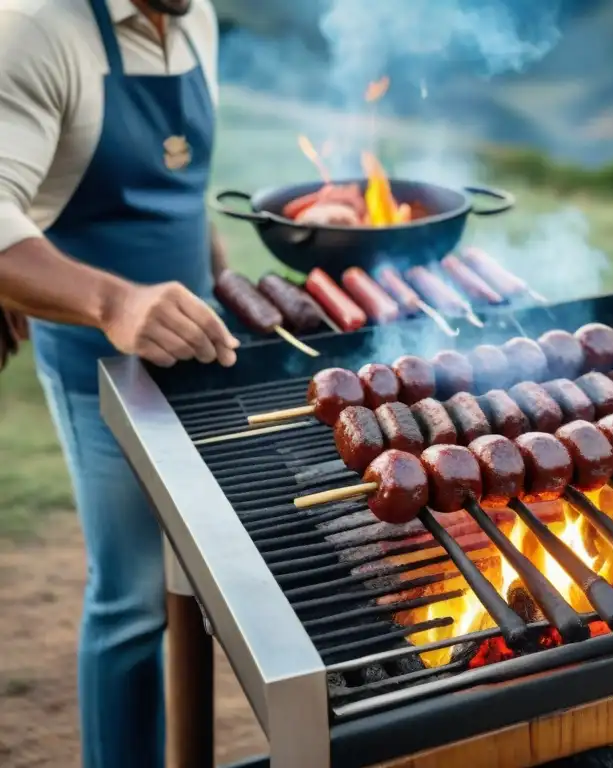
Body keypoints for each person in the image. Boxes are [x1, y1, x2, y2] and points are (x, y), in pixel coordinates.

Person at [0, 0, 239, 765]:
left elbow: (173, 173)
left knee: (193, 586)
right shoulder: (38, 29)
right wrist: (113, 302)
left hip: (195, 358)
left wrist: (212, 259)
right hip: (97, 367)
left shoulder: (194, 16)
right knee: (134, 601)